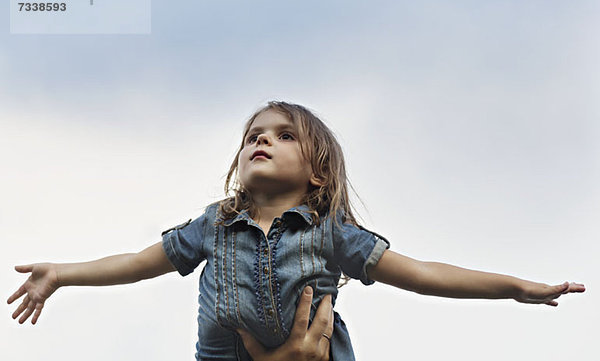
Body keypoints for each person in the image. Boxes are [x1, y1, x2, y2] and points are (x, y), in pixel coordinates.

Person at [8, 101, 585, 361]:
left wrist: (515, 287)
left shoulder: (332, 233)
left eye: (285, 135)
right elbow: (138, 262)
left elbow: (425, 275)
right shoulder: (214, 223)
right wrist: (62, 274)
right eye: (254, 134)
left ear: (317, 172)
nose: (262, 139)